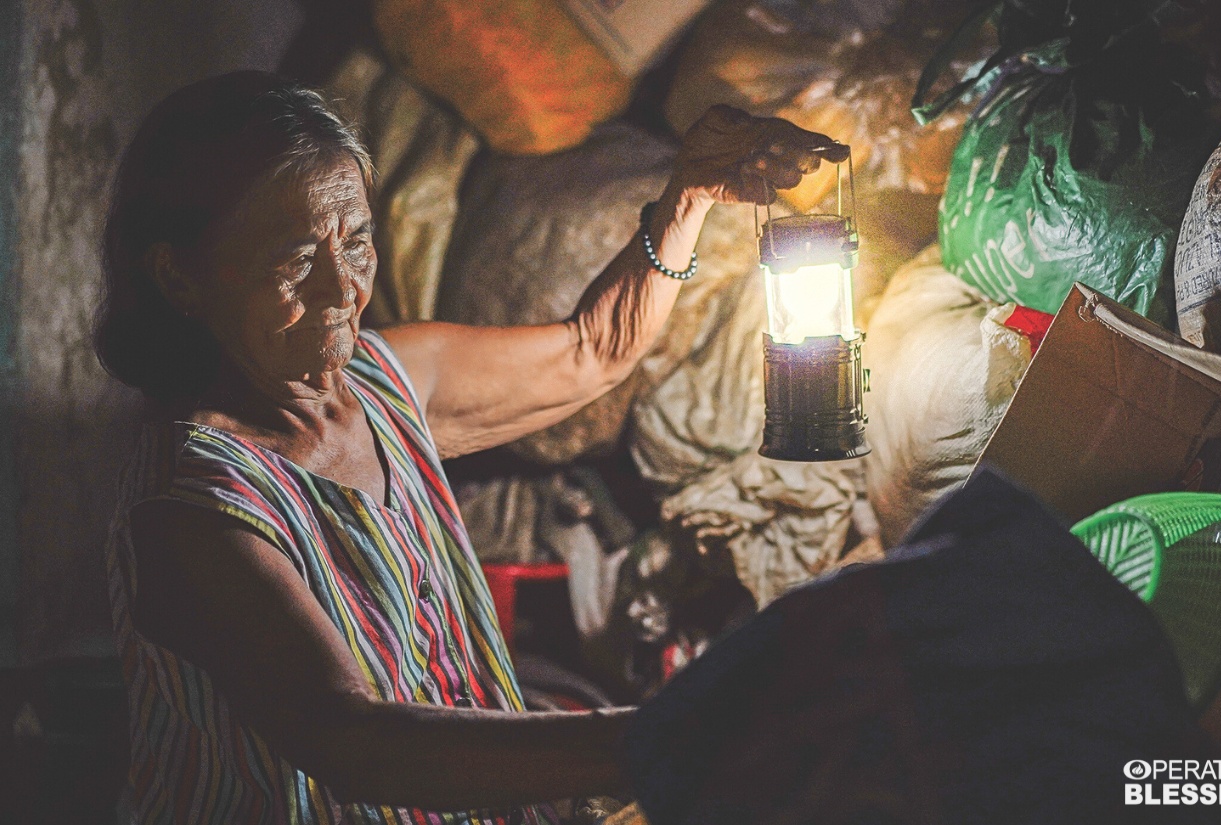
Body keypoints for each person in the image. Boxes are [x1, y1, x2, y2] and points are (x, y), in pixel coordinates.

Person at [96, 70, 848, 824]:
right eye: (294, 261)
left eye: (356, 241)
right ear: (181, 277)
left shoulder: (383, 382)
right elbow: (353, 742)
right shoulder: (190, 505)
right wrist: (655, 734)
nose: (342, 290)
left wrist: (689, 193)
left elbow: (592, 349)